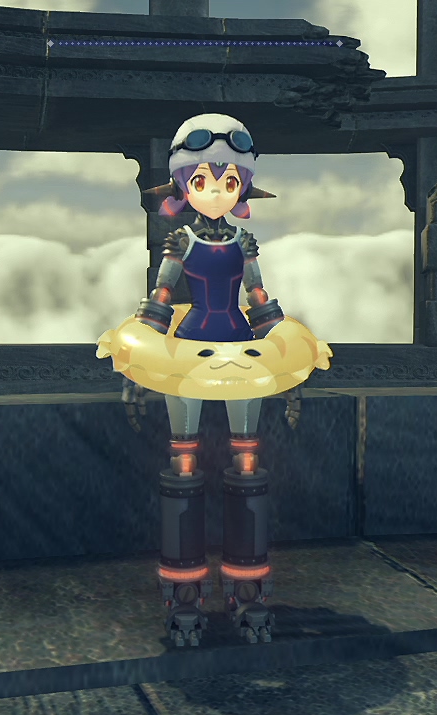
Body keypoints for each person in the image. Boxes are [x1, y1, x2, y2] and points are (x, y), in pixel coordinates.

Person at [96, 113, 331, 647]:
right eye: (202, 180)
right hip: (187, 353)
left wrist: (289, 365)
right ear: (184, 185)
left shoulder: (245, 242)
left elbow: (259, 300)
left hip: (243, 351)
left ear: (242, 186)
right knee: (183, 463)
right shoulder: (180, 241)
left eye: (229, 181)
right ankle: (184, 596)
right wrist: (137, 362)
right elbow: (160, 300)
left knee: (247, 462)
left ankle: (248, 589)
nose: (217, 191)